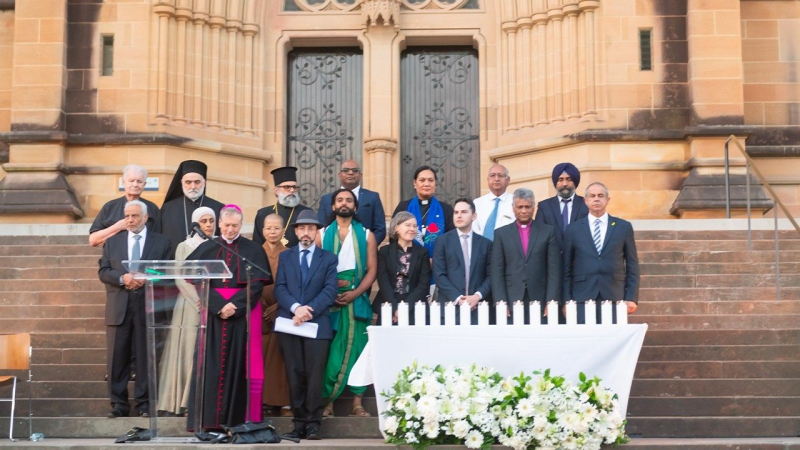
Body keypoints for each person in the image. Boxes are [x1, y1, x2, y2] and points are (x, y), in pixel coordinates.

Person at [186, 205, 271, 430]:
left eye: (235, 225)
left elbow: (256, 286)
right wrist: (218, 306)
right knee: (210, 366)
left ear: (241, 225)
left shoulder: (252, 249)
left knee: (239, 365)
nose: (230, 229)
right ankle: (208, 421)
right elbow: (199, 282)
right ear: (219, 225)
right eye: (226, 225)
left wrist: (236, 305)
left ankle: (236, 420)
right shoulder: (207, 248)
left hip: (242, 316)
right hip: (214, 315)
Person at [98, 200, 171, 418]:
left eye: (135, 216)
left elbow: (166, 271)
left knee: (146, 356)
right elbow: (104, 271)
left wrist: (146, 276)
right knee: (117, 358)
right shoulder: (113, 242)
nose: (130, 220)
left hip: (148, 305)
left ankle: (144, 404)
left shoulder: (162, 241)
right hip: (119, 306)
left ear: (145, 218)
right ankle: (118, 404)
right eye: (127, 216)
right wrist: (123, 278)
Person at [273, 210, 338, 441]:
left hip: (317, 324)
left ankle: (313, 424)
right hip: (290, 323)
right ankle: (298, 423)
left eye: (311, 228)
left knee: (314, 375)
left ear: (316, 232)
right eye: (302, 228)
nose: (306, 233)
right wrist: (295, 308)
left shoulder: (328, 258)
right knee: (294, 374)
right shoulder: (286, 256)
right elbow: (280, 288)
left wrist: (307, 310)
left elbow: (330, 290)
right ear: (296, 231)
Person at [317, 189, 377, 418]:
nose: (344, 203)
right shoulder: (322, 234)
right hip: (329, 300)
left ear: (355, 207)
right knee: (332, 351)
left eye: (349, 200)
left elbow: (372, 271)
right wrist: (330, 292)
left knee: (358, 350)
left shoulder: (367, 235)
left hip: (356, 298)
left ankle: (357, 403)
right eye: (340, 200)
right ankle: (329, 402)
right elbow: (316, 270)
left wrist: (355, 293)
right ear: (333, 206)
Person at [156, 206, 216, 417]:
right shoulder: (185, 246)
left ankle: (206, 401)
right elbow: (180, 277)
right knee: (188, 351)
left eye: (211, 221)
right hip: (190, 305)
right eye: (204, 221)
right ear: (195, 224)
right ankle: (184, 402)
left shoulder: (219, 244)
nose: (208, 225)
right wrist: (199, 300)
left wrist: (211, 300)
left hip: (214, 304)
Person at [563, 182, 640, 324]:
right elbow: (566, 267)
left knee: (613, 336)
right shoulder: (573, 229)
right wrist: (566, 300)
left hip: (614, 295)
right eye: (592, 196)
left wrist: (631, 297)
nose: (596, 199)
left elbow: (632, 265)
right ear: (585, 200)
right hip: (582, 297)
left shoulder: (623, 227)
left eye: (600, 195)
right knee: (584, 336)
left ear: (607, 199)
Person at [490, 188, 561, 324]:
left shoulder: (547, 232)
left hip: (540, 298)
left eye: (527, 207)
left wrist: (551, 301)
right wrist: (501, 301)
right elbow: (496, 271)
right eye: (520, 207)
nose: (523, 211)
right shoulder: (501, 234)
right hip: (511, 299)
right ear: (513, 207)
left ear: (534, 207)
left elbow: (554, 270)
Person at [433, 198, 492, 325]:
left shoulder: (485, 244)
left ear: (474, 216)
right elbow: (439, 274)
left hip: (478, 309)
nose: (459, 215)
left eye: (464, 212)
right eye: (456, 212)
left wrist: (477, 296)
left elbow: (491, 275)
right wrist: (458, 298)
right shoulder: (442, 241)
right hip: (449, 308)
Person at [259, 214, 292, 417]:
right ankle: (262, 402)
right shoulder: (255, 252)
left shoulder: (289, 254)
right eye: (268, 228)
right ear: (263, 231)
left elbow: (294, 284)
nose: (272, 232)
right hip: (259, 309)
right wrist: (262, 305)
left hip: (282, 310)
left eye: (276, 228)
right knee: (260, 355)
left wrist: (278, 306)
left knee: (280, 358)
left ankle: (282, 403)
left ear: (283, 231)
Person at [156, 160, 224, 257]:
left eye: (197, 182)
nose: (193, 186)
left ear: (204, 183)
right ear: (181, 183)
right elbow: (158, 240)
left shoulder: (218, 208)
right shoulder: (167, 209)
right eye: (188, 182)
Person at [375, 211, 433, 325]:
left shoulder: (423, 253)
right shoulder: (384, 252)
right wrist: (394, 308)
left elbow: (423, 284)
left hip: (415, 306)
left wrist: (404, 309)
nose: (412, 229)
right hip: (389, 306)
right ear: (396, 228)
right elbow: (383, 281)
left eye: (415, 226)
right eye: (408, 225)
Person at [316, 160, 387, 244]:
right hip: (331, 248)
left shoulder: (372, 197)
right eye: (346, 170)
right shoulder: (326, 199)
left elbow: (380, 229)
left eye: (355, 170)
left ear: (360, 175)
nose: (350, 173)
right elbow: (321, 227)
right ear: (340, 175)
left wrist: (366, 246)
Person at [90, 164, 160, 247]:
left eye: (139, 181)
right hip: (115, 253)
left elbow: (161, 238)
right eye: (131, 181)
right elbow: (93, 240)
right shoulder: (110, 207)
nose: (135, 185)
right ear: (123, 182)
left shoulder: (152, 208)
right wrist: (118, 227)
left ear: (144, 184)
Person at [392, 165, 454, 258]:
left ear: (435, 183)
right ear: (414, 183)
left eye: (431, 180)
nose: (426, 184)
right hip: (407, 261)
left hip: (437, 262)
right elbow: (394, 235)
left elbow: (451, 238)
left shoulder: (446, 209)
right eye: (422, 180)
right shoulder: (403, 206)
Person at [253, 166, 312, 247]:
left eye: (294, 187)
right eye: (287, 187)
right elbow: (257, 244)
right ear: (276, 191)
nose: (292, 190)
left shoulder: (306, 212)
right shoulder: (263, 213)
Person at [535, 162, 589, 245]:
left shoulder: (586, 204)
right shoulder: (544, 206)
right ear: (555, 182)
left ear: (575, 182)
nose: (564, 184)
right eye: (560, 180)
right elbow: (539, 237)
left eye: (569, 179)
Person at [472, 164, 514, 241]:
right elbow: (473, 229)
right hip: (482, 246)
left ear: (508, 180)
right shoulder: (477, 203)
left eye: (500, 175)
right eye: (492, 175)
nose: (496, 179)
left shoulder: (515, 202)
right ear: (488, 179)